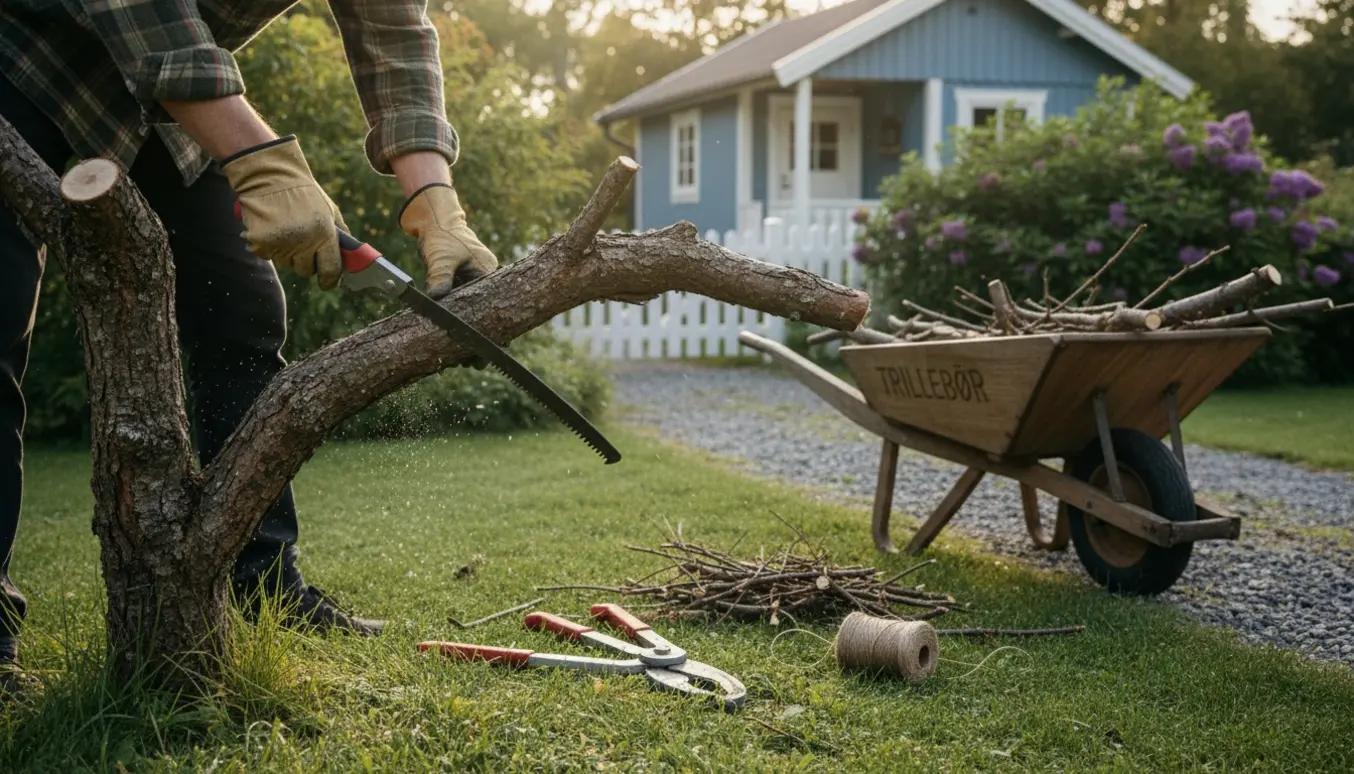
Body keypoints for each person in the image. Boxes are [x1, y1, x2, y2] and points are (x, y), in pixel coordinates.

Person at [0, 1, 500, 682]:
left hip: (162, 107)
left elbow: (394, 33)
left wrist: (436, 202)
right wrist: (263, 160)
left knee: (241, 309)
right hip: (23, 58)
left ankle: (261, 585)